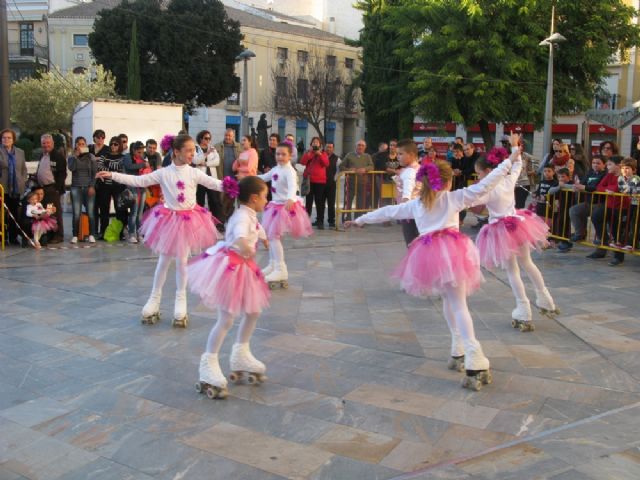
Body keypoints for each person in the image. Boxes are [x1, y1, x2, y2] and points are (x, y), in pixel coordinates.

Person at [345, 133, 520, 391]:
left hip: (430, 255)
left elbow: (388, 211)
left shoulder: (418, 204)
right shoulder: (453, 198)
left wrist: (360, 219)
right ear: (447, 182)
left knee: (450, 302)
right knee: (458, 304)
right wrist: (510, 160)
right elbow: (486, 184)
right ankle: (474, 357)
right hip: (452, 252)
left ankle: (457, 346)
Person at [96, 134, 229, 327]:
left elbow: (214, 183)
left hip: (188, 220)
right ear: (176, 152)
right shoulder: (164, 172)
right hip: (169, 221)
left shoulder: (194, 173)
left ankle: (180, 300)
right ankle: (154, 298)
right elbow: (138, 181)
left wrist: (239, 185)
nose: (193, 154)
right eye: (189, 150)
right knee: (163, 261)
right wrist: (112, 175)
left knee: (182, 261)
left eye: (194, 150)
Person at [188, 176, 271, 399]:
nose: (267, 200)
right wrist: (246, 245)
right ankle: (208, 362)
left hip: (243, 265)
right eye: (264, 196)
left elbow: (256, 226)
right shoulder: (241, 217)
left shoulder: (249, 213)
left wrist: (263, 238)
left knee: (254, 311)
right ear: (254, 199)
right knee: (226, 318)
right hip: (230, 266)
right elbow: (240, 234)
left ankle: (241, 352)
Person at [472, 145, 557, 332]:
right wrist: (514, 148)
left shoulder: (487, 189)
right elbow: (518, 164)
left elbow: (469, 200)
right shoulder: (508, 180)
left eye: (479, 173)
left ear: (488, 171)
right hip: (517, 224)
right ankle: (546, 299)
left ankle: (523, 308)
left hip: (501, 230)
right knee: (527, 263)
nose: (478, 177)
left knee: (513, 270)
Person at [258, 142, 313, 287]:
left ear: (290, 156)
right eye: (278, 154)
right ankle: (272, 264)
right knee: (272, 236)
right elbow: (264, 177)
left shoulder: (290, 171)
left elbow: (293, 186)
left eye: (283, 154)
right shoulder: (276, 168)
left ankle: (280, 268)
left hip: (284, 207)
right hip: (275, 206)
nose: (280, 157)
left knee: (274, 237)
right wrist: (250, 178)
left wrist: (290, 198)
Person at [586, 155, 625, 266]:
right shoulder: (609, 175)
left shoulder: (623, 176)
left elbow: (619, 188)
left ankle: (618, 256)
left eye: (609, 164)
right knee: (596, 216)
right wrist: (608, 189)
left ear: (618, 166)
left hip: (620, 207)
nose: (607, 167)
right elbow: (599, 186)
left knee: (616, 229)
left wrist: (611, 188)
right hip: (608, 205)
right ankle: (604, 241)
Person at [568, 155, 607, 243]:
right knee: (574, 210)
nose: (595, 165)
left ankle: (601, 239)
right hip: (589, 202)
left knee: (596, 217)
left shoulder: (605, 175)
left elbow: (596, 187)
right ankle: (579, 234)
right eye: (593, 163)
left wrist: (584, 187)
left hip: (601, 203)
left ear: (604, 165)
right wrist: (577, 187)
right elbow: (582, 183)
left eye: (598, 163)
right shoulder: (590, 172)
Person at [95, 136, 128, 239]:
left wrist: (108, 166)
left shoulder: (123, 157)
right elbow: (99, 166)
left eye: (116, 144)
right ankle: (103, 232)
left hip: (118, 186)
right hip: (105, 186)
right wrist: (111, 167)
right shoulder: (104, 155)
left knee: (120, 210)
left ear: (120, 145)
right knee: (104, 210)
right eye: (111, 144)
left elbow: (119, 166)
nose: (113, 146)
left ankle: (120, 232)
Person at [36, 134, 66, 243]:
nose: (46, 145)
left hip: (52, 189)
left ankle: (58, 235)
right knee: (46, 213)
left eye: (48, 142)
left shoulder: (58, 156)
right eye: (44, 143)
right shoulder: (42, 155)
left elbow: (62, 174)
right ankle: (48, 234)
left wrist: (57, 188)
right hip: (43, 189)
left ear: (52, 143)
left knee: (54, 212)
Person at [67, 136, 98, 244]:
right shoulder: (72, 157)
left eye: (82, 144)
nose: (80, 146)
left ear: (86, 145)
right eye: (78, 144)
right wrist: (75, 156)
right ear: (75, 145)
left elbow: (94, 173)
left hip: (88, 187)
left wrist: (92, 186)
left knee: (90, 212)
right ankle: (75, 235)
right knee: (76, 213)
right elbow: (71, 168)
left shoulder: (91, 157)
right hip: (76, 187)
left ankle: (91, 234)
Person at [0, 129, 28, 245]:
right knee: (2, 215)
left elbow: (23, 169)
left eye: (9, 138)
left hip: (16, 189)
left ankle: (13, 237)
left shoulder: (20, 152)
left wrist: (22, 181)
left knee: (14, 214)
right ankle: (3, 237)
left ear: (13, 140)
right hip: (2, 188)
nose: (6, 140)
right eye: (4, 138)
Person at [393, 139, 422, 245]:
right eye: (397, 154)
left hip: (410, 214)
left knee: (412, 245)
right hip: (419, 212)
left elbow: (407, 193)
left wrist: (403, 205)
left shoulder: (409, 171)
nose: (398, 156)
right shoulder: (418, 168)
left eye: (400, 154)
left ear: (411, 154)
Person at [123, 141, 152, 243]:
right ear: (134, 150)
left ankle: (140, 234)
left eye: (142, 152)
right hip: (132, 187)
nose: (141, 154)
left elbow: (148, 169)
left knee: (140, 212)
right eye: (139, 152)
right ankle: (131, 234)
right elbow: (130, 167)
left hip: (142, 187)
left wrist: (146, 166)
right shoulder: (127, 157)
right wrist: (143, 165)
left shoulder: (143, 158)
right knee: (134, 212)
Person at [339, 140, 374, 219]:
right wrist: (349, 170)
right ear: (355, 146)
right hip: (350, 183)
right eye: (359, 145)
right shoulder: (349, 155)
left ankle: (358, 220)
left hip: (362, 183)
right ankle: (346, 219)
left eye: (362, 145)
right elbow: (341, 166)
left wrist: (365, 169)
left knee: (361, 202)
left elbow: (372, 166)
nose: (360, 147)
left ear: (365, 147)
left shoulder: (367, 156)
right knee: (347, 201)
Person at [300, 137, 330, 229]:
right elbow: (302, 162)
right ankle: (306, 221)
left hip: (320, 181)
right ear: (311, 144)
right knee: (308, 202)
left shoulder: (323, 153)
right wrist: (310, 153)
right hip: (309, 181)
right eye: (313, 142)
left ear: (320, 145)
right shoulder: (308, 153)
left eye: (317, 142)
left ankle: (320, 221)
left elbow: (326, 164)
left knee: (319, 202)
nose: (315, 144)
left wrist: (319, 154)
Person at [194, 130, 222, 222]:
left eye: (209, 138)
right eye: (206, 138)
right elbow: (195, 161)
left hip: (211, 178)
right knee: (200, 201)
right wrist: (206, 153)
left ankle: (217, 221)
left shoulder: (212, 148)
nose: (208, 140)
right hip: (200, 179)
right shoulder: (195, 148)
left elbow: (217, 161)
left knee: (214, 201)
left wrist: (205, 163)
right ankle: (199, 221)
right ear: (201, 138)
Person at [614, 157, 639, 251]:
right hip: (629, 203)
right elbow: (621, 189)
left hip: (637, 204)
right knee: (626, 222)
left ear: (634, 170)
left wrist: (628, 191)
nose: (625, 170)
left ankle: (632, 243)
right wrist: (628, 191)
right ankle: (621, 242)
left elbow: (635, 191)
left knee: (634, 224)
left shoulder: (636, 178)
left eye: (627, 168)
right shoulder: (620, 178)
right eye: (623, 168)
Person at [549, 168, 575, 252]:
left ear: (568, 177)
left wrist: (563, 186)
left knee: (565, 223)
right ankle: (559, 238)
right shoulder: (557, 184)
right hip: (559, 206)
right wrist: (559, 187)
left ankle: (566, 241)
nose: (561, 179)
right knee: (558, 222)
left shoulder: (571, 183)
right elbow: (550, 191)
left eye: (563, 176)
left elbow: (574, 187)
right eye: (559, 177)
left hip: (569, 206)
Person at [514, 140, 538, 209]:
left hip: (524, 184)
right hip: (512, 184)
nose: (518, 147)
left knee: (519, 205)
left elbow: (537, 163)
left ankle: (518, 219)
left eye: (520, 146)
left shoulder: (526, 156)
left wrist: (529, 172)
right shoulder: (510, 156)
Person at [324, 142, 340, 228]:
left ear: (333, 149)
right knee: (320, 203)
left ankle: (331, 221)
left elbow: (338, 170)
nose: (328, 149)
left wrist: (334, 179)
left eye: (330, 147)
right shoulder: (321, 155)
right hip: (321, 183)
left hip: (331, 184)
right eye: (327, 147)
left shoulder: (337, 159)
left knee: (331, 203)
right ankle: (319, 220)